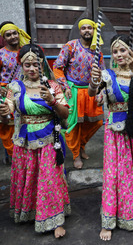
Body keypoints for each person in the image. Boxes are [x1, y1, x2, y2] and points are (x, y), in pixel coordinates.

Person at [0, 43, 70, 238]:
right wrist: (5, 113)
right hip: (24, 142)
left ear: (42, 64)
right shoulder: (15, 87)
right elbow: (8, 112)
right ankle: (32, 211)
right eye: (27, 65)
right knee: (29, 178)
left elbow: (65, 114)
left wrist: (52, 101)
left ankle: (56, 219)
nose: (31, 69)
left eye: (35, 64)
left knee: (49, 180)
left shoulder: (52, 86)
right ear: (21, 65)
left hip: (49, 139)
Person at [90, 34, 133, 241]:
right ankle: (109, 219)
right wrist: (92, 82)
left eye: (123, 50)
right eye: (115, 51)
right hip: (115, 133)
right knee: (116, 173)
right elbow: (94, 94)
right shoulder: (107, 75)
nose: (119, 54)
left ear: (131, 51)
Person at [53, 18, 105, 169]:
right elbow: (57, 67)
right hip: (73, 90)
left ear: (94, 31)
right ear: (80, 31)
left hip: (90, 91)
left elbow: (102, 74)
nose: (87, 30)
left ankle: (82, 144)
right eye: (84, 28)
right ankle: (76, 154)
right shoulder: (71, 46)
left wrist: (100, 91)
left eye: (90, 28)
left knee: (96, 121)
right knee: (74, 124)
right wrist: (64, 86)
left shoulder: (97, 51)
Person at [0, 21, 31, 164]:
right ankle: (14, 158)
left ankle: (25, 156)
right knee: (7, 128)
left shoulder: (25, 51)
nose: (13, 36)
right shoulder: (1, 54)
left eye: (14, 33)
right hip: (6, 94)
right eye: (8, 35)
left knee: (25, 124)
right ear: (3, 38)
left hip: (25, 93)